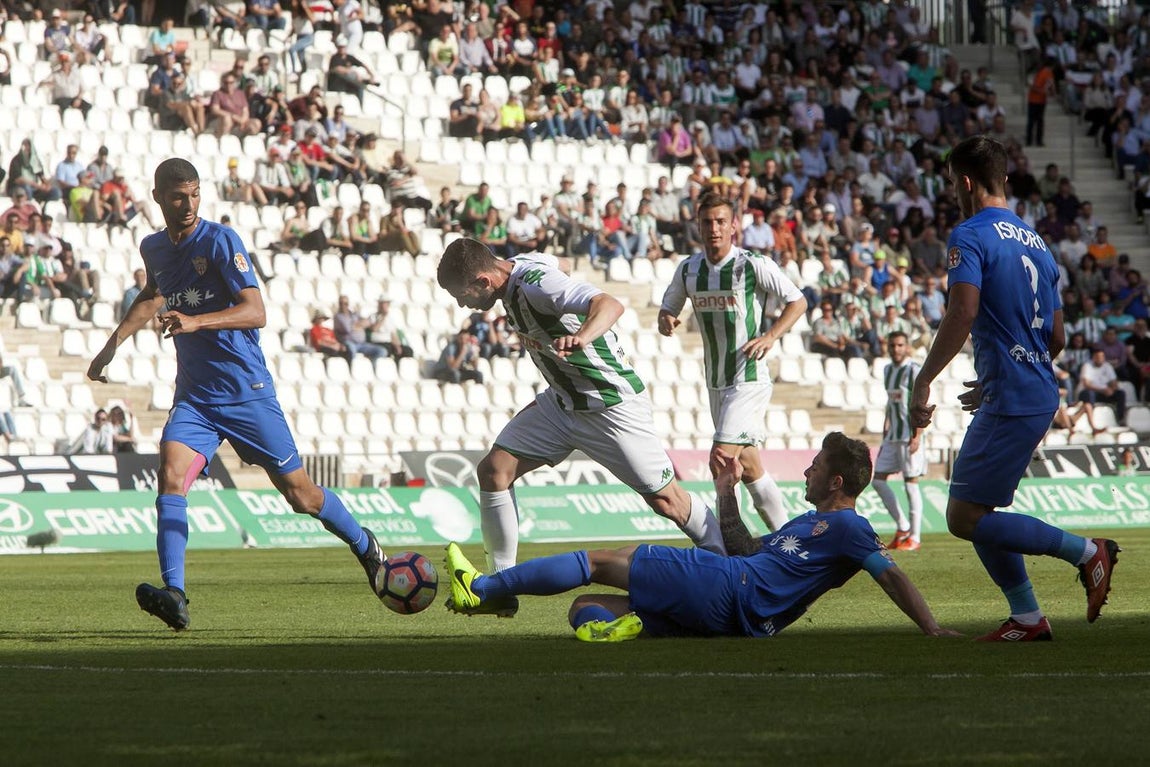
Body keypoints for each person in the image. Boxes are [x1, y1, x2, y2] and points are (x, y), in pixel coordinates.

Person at [86, 159, 384, 631]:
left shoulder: (221, 241)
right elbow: (151, 294)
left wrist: (196, 321)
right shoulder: (154, 247)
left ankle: (366, 547)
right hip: (197, 399)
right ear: (159, 196)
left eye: (195, 194)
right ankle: (175, 594)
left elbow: (256, 310)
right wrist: (110, 346)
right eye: (179, 196)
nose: (188, 205)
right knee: (170, 472)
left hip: (247, 392)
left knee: (301, 496)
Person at [436, 238, 728, 615]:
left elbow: (609, 303)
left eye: (464, 295)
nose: (464, 304)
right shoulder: (526, 270)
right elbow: (559, 260)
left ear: (483, 280)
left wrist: (582, 335)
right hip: (562, 404)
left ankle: (726, 565)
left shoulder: (538, 284)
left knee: (666, 501)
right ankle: (501, 586)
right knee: (494, 470)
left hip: (610, 406)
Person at [444, 433, 958, 641]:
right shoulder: (809, 527)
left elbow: (890, 575)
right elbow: (747, 548)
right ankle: (613, 633)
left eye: (816, 466)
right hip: (739, 619)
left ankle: (484, 589)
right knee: (584, 606)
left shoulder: (849, 527)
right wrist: (725, 491)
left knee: (600, 559)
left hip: (727, 587)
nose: (806, 470)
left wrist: (932, 629)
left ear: (836, 483)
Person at [909, 136, 1120, 642]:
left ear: (964, 182)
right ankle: (1027, 618)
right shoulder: (1039, 244)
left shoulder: (970, 234)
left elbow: (964, 311)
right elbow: (1058, 337)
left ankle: (1088, 553)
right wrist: (1003, 374)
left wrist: (923, 380)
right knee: (978, 508)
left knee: (961, 516)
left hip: (1015, 395)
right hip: (1035, 390)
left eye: (951, 183)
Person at [658, 194, 807, 532]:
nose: (715, 228)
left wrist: (771, 336)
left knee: (721, 460)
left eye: (721, 221)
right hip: (716, 381)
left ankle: (730, 545)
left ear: (734, 226)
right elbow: (668, 309)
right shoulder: (689, 269)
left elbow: (798, 301)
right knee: (749, 465)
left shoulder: (752, 264)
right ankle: (789, 540)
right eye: (708, 222)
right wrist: (666, 319)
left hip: (748, 377)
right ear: (698, 226)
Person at [874, 332, 927, 552]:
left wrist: (918, 435)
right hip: (892, 435)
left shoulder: (913, 370)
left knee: (910, 484)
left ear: (906, 347)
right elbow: (891, 401)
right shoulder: (887, 370)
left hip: (909, 435)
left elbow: (922, 403)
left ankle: (914, 537)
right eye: (892, 345)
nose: (896, 349)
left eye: (900, 345)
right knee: (877, 479)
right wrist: (885, 426)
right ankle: (903, 527)